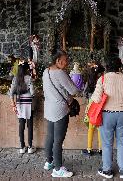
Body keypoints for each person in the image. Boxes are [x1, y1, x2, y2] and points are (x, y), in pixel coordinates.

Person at [91, 49, 123, 179]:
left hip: (107, 114)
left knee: (107, 143)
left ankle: (107, 170)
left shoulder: (103, 79)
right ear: (119, 67)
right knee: (122, 142)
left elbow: (96, 99)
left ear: (107, 67)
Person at [42, 49, 79, 178]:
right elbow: (74, 90)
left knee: (50, 136)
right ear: (58, 61)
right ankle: (58, 169)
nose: (67, 62)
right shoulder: (60, 73)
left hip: (49, 108)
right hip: (60, 110)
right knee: (58, 140)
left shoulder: (45, 72)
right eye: (65, 60)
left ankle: (49, 162)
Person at [9, 61, 36, 154]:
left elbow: (11, 93)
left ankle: (22, 147)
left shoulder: (15, 78)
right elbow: (33, 92)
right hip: (29, 103)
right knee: (30, 125)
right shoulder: (29, 78)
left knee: (21, 125)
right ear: (26, 69)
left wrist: (13, 104)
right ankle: (30, 147)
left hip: (19, 102)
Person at [82, 61, 105, 156]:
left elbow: (85, 94)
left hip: (91, 108)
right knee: (100, 128)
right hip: (101, 107)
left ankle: (89, 149)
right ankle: (101, 149)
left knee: (90, 129)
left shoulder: (89, 82)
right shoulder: (103, 80)